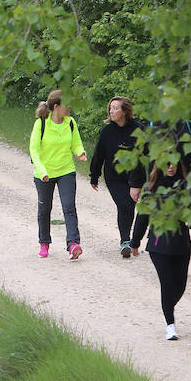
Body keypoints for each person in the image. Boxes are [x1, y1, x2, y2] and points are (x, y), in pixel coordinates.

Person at [29, 90, 88, 259]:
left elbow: (76, 143)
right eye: (66, 105)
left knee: (69, 207)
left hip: (66, 170)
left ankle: (73, 244)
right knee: (44, 208)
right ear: (56, 107)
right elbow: (34, 150)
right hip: (44, 173)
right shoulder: (41, 124)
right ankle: (44, 242)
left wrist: (80, 152)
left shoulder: (70, 123)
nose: (70, 108)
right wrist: (42, 171)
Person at [140, 157, 191, 340]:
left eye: (174, 163)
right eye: (167, 163)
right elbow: (142, 217)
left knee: (180, 286)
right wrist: (134, 241)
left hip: (182, 244)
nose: (170, 166)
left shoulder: (186, 186)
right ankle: (170, 324)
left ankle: (167, 307)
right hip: (158, 245)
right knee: (167, 283)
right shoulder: (151, 189)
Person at [91, 97, 140, 257]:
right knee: (124, 204)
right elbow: (99, 154)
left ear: (125, 111)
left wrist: (138, 182)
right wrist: (94, 175)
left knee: (130, 206)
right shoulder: (107, 131)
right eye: (110, 108)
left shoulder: (139, 130)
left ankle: (131, 239)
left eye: (115, 108)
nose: (111, 111)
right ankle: (125, 241)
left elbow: (145, 156)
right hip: (114, 176)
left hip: (134, 175)